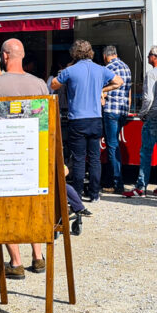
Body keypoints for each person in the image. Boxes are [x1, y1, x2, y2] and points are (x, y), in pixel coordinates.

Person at [0, 38, 51, 277]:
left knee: (6, 208)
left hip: (6, 157)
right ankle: (38, 256)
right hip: (34, 157)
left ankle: (15, 262)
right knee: (34, 205)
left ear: (4, 57)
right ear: (21, 56)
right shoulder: (40, 84)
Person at [51, 39, 123, 203]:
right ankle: (94, 194)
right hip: (96, 118)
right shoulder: (100, 69)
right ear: (90, 52)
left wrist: (63, 76)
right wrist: (102, 90)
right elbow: (119, 81)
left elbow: (54, 85)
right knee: (95, 158)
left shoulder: (70, 70)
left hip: (77, 119)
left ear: (74, 53)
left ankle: (76, 194)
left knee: (78, 159)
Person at [124, 45, 157, 198]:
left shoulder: (151, 74)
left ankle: (141, 186)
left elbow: (148, 97)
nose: (147, 58)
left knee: (146, 152)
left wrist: (142, 113)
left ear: (154, 57)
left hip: (154, 114)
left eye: (148, 55)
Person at [101, 45, 132, 195]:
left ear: (105, 55)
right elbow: (129, 91)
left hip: (111, 111)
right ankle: (113, 180)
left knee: (112, 147)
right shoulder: (126, 67)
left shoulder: (108, 68)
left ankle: (117, 182)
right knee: (115, 146)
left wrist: (102, 92)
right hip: (122, 110)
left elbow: (103, 90)